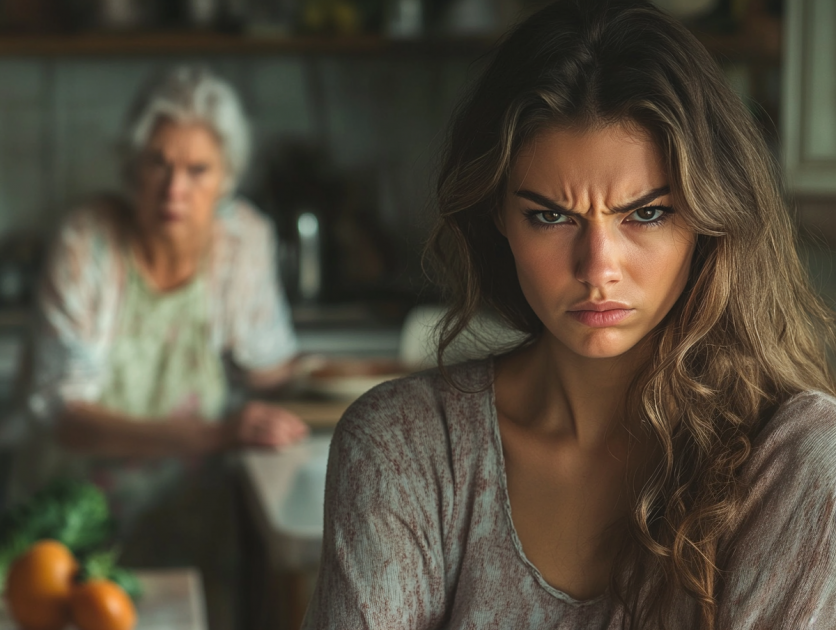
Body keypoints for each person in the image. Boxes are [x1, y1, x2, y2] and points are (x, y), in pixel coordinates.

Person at [302, 1, 836, 628]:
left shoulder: (800, 466)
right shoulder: (404, 448)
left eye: (645, 213)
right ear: (497, 216)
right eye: (551, 216)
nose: (598, 266)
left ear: (708, 220)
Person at [13, 66, 308, 630]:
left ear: (225, 179)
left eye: (198, 170)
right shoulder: (88, 241)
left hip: (190, 520)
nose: (175, 189)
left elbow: (268, 368)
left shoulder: (242, 239)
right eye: (159, 163)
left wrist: (305, 386)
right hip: (71, 532)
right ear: (132, 166)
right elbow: (68, 419)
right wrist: (218, 433)